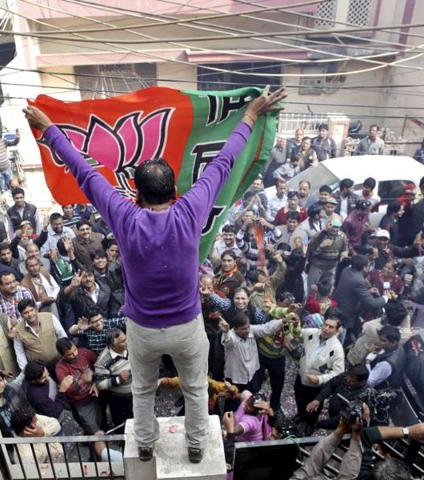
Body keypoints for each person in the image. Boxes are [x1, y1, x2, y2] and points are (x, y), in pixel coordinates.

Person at [24, 87, 286, 463]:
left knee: (143, 389)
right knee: (196, 390)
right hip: (186, 326)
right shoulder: (192, 208)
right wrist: (250, 115)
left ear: (137, 193)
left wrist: (48, 126)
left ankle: (145, 444)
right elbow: (224, 161)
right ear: (175, 191)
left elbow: (83, 171)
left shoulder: (123, 214)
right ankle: (196, 447)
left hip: (142, 329)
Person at [294, 315, 344, 434]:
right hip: (301, 377)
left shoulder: (337, 349)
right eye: (325, 325)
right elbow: (295, 334)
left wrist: (319, 379)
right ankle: (301, 414)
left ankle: (311, 423)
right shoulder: (311, 333)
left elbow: (338, 373)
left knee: (314, 408)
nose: (326, 329)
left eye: (331, 327)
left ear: (336, 330)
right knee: (299, 399)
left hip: (317, 387)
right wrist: (293, 323)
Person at [220, 312, 284, 394]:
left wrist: (283, 321)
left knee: (252, 401)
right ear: (235, 329)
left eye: (248, 327)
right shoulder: (231, 336)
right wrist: (225, 332)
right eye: (243, 329)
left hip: (252, 376)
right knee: (234, 402)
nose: (247, 331)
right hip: (236, 379)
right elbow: (227, 341)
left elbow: (266, 328)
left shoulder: (252, 330)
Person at [333, 255, 390, 342]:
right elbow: (372, 303)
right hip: (345, 314)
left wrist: (367, 291)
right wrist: (385, 298)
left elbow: (351, 288)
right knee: (337, 340)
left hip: (336, 306)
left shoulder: (346, 270)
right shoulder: (359, 280)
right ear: (364, 267)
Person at [55, 338, 102, 435]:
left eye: (75, 350)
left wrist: (95, 382)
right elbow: (67, 391)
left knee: (100, 420)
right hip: (81, 403)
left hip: (95, 394)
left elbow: (99, 365)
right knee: (93, 429)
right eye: (70, 354)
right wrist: (82, 381)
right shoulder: (60, 368)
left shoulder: (84, 352)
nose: (75, 354)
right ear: (62, 356)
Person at [306, 364, 370, 431]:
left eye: (352, 381)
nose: (347, 381)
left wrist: (319, 424)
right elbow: (330, 386)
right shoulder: (344, 376)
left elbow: (342, 418)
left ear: (362, 382)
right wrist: (318, 399)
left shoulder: (364, 395)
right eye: (347, 377)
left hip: (342, 422)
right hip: (333, 409)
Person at [94, 328, 133, 431]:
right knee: (122, 422)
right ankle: (123, 442)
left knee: (137, 417)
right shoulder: (102, 361)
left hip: (136, 393)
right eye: (123, 341)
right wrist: (118, 380)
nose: (127, 342)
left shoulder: (131, 346)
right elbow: (100, 384)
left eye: (126, 338)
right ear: (113, 345)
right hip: (119, 398)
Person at [13, 298, 67, 372]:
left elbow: (62, 336)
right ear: (21, 315)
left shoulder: (49, 317)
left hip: (59, 362)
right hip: (38, 370)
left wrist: (66, 356)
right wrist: (26, 371)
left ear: (36, 309)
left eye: (31, 310)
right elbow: (20, 353)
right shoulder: (17, 330)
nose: (30, 315)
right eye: (26, 313)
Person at [306, 218, 349, 291]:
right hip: (317, 266)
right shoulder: (319, 235)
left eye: (337, 227)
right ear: (328, 226)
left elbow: (345, 249)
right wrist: (321, 246)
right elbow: (310, 252)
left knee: (327, 290)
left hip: (332, 267)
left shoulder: (342, 236)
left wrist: (343, 255)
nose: (335, 229)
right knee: (312, 289)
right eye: (333, 226)